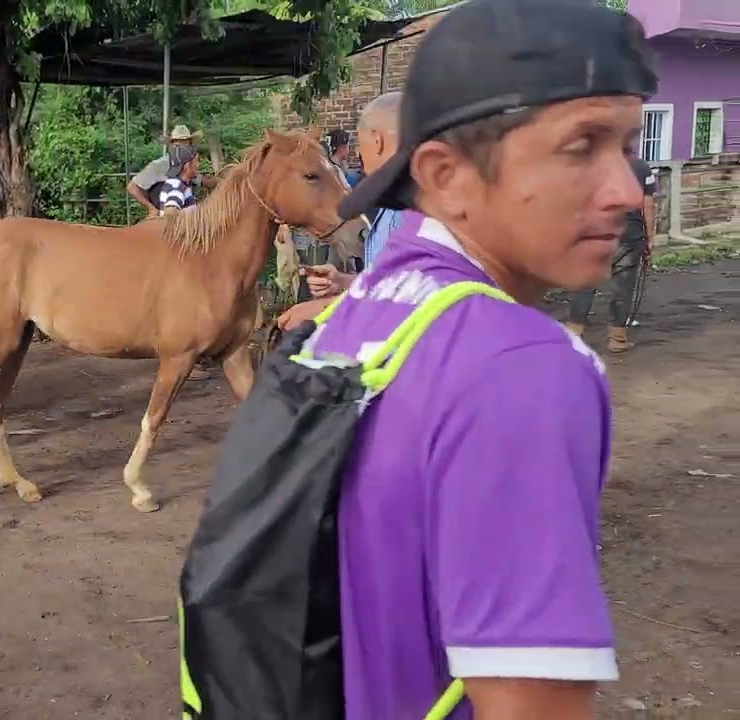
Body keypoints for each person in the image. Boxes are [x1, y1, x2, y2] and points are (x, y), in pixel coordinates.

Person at [292, 1, 656, 717]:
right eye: (581, 147)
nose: (626, 190)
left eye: (626, 146)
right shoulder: (522, 367)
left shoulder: (365, 311)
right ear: (448, 176)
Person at [277, 92, 405, 330]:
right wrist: (342, 282)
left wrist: (327, 308)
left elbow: (410, 298)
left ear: (377, 141)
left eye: (360, 144)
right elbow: (387, 283)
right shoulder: (395, 204)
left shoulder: (415, 212)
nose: (359, 155)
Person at [564, 155, 657, 352]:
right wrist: (649, 237)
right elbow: (647, 204)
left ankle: (573, 334)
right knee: (622, 288)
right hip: (629, 236)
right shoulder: (641, 167)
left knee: (586, 285)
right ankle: (617, 340)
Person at [127, 124, 218, 218]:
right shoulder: (159, 166)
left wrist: (224, 181)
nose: (181, 147)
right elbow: (132, 187)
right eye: (178, 144)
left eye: (185, 143)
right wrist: (151, 209)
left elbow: (205, 181)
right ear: (172, 144)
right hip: (167, 219)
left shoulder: (188, 169)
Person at [155, 144, 200, 215]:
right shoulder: (177, 186)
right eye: (197, 161)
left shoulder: (181, 184)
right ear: (187, 166)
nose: (198, 165)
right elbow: (170, 211)